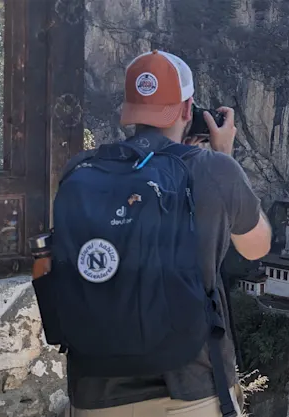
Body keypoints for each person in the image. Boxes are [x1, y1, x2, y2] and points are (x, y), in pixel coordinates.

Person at [61, 50, 272, 416]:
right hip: (191, 392)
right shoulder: (214, 169)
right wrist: (225, 157)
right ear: (188, 110)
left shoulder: (79, 170)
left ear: (128, 111)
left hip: (94, 392)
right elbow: (257, 246)